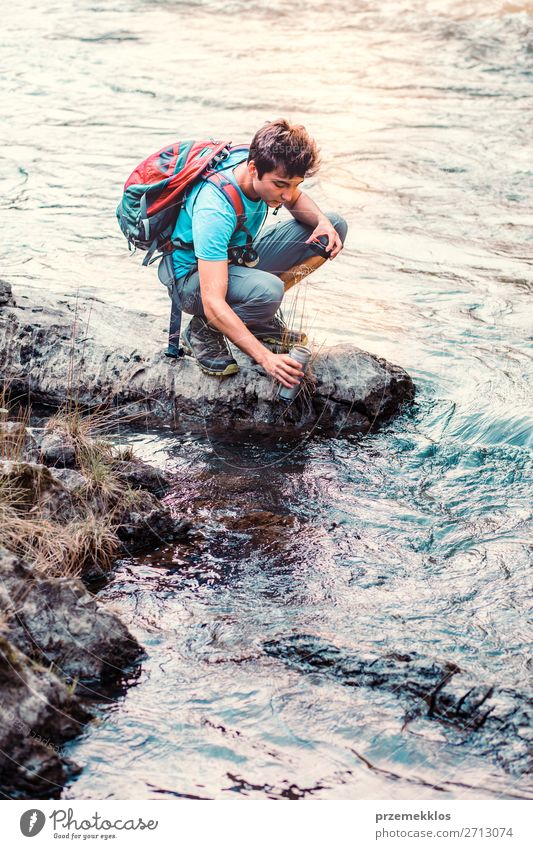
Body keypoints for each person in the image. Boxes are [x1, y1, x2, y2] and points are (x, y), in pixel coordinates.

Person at [159, 119, 347, 389]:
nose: (287, 195)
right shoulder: (215, 209)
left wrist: (322, 221)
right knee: (267, 291)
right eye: (281, 185)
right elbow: (213, 299)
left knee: (333, 226)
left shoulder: (265, 171)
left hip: (235, 259)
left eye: (295, 184)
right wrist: (266, 359)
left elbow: (294, 199)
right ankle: (202, 330)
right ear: (253, 169)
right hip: (191, 282)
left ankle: (256, 317)